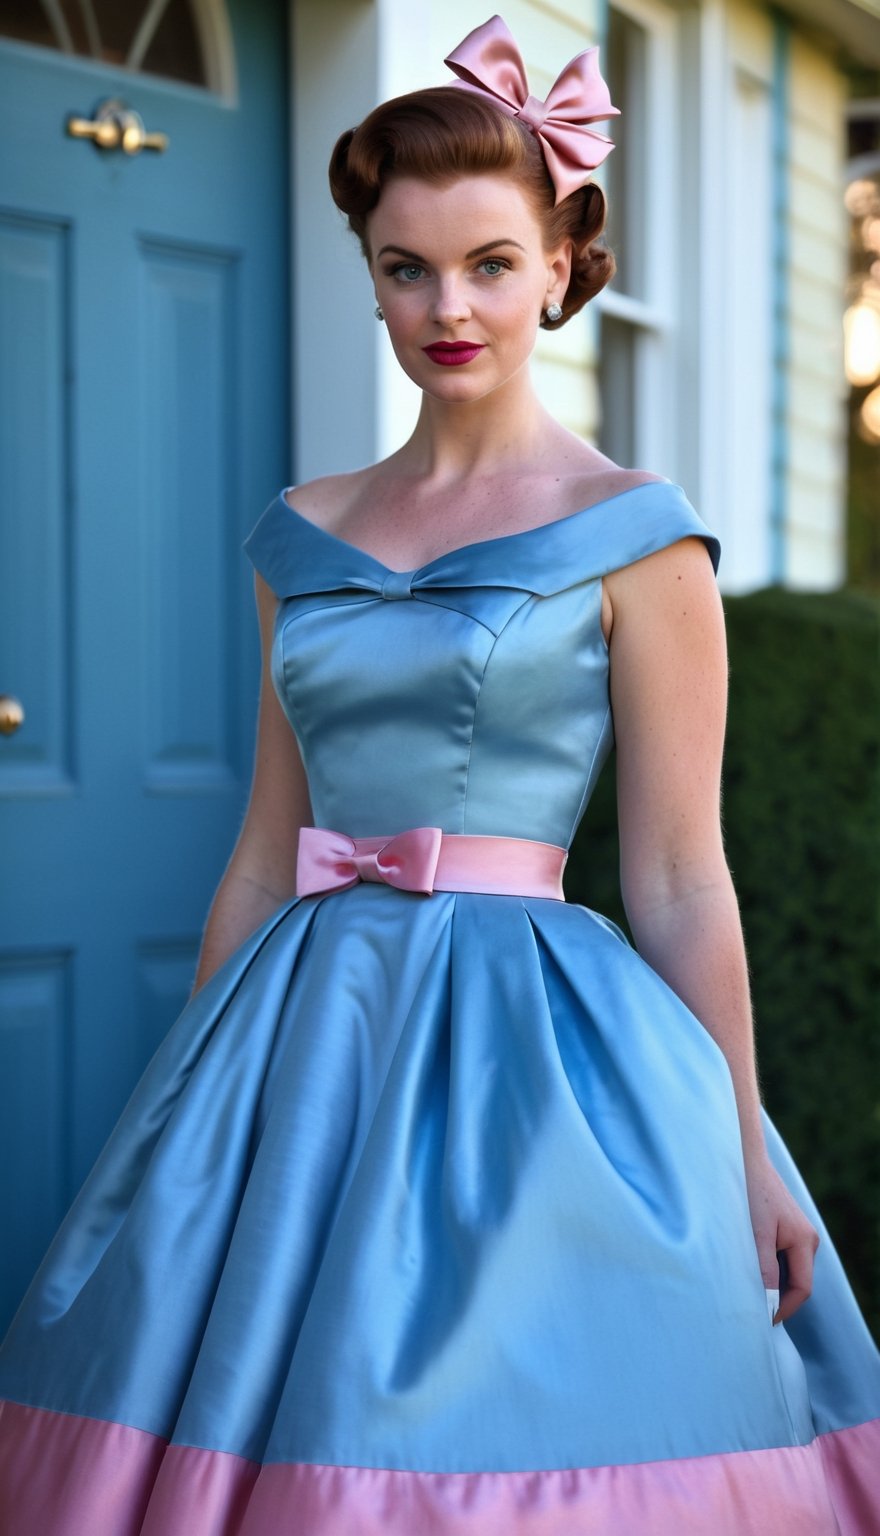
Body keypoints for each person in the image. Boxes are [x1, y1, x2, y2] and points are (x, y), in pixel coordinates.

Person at [0, 14, 878, 1534]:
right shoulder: (300, 534)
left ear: (559, 266)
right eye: (406, 268)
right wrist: (186, 1123)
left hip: (533, 1054)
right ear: (372, 278)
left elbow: (679, 874)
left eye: (486, 263)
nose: (447, 307)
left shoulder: (639, 533)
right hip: (300, 1033)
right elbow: (270, 852)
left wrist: (743, 1150)